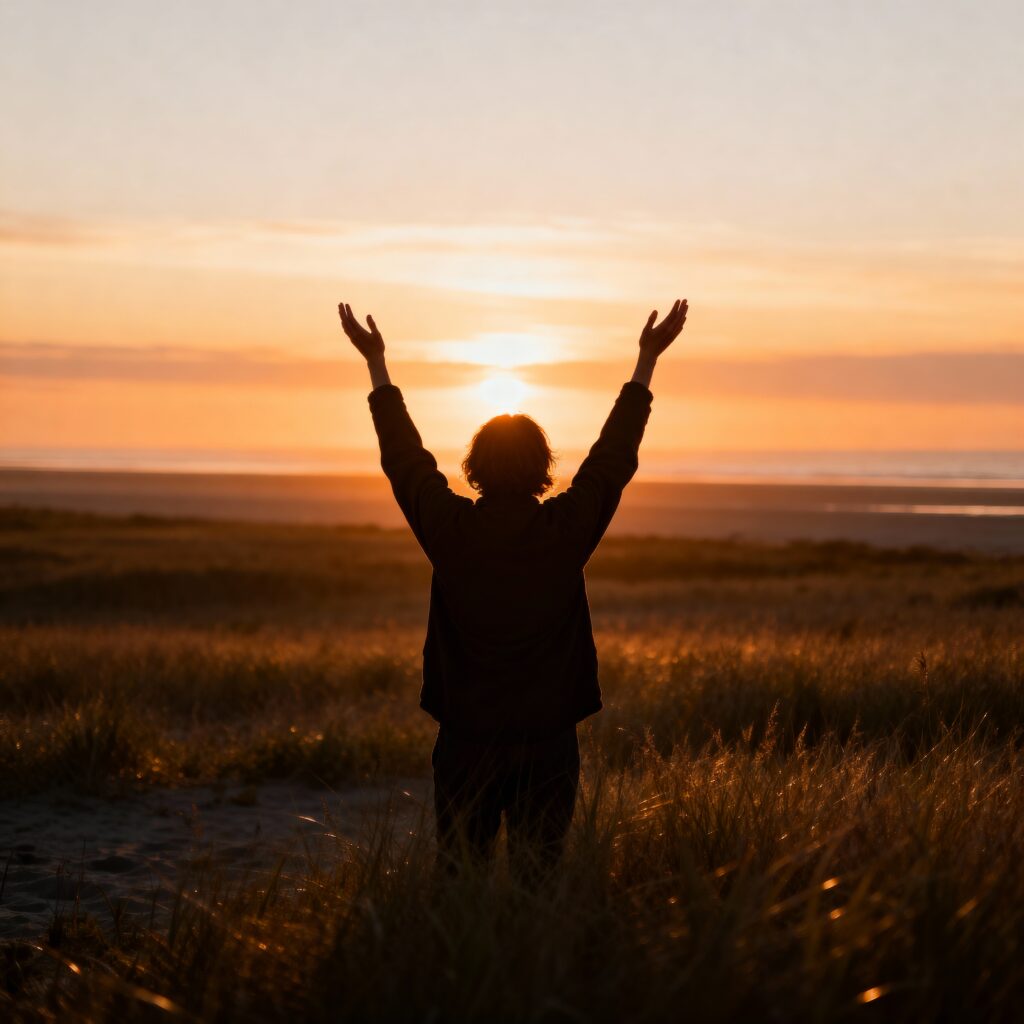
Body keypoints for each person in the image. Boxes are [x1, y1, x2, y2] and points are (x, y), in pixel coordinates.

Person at [338, 299, 688, 885]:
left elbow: (403, 459)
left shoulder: (450, 531)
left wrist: (377, 366)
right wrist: (645, 362)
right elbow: (612, 459)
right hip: (548, 745)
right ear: (543, 468)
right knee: (539, 882)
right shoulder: (564, 531)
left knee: (460, 877)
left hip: (466, 744)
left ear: (473, 468)